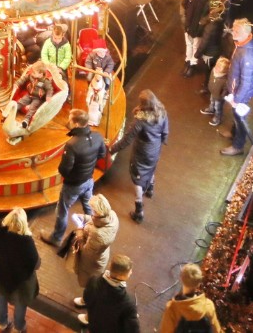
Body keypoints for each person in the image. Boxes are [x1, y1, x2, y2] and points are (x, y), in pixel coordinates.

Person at [44, 108, 106, 244]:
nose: (68, 122)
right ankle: (90, 233)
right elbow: (102, 154)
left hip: (73, 184)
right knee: (88, 207)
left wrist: (68, 174)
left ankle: (56, 237)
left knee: (62, 210)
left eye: (70, 120)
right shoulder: (97, 137)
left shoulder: (72, 144)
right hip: (89, 179)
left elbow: (65, 169)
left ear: (76, 124)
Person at [109, 89, 169, 223]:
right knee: (151, 168)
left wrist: (111, 150)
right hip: (155, 150)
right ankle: (150, 189)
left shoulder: (140, 121)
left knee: (138, 178)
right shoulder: (162, 112)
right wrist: (162, 141)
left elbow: (127, 140)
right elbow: (165, 132)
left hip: (141, 153)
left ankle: (139, 210)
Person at [0, 207, 39, 333]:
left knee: (1, 296)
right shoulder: (27, 242)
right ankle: (19, 327)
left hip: (1, 274)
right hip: (20, 282)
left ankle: (2, 324)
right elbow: (35, 263)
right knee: (20, 304)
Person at [68, 194, 119, 317]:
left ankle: (88, 304)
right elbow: (93, 222)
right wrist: (84, 218)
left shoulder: (99, 235)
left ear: (97, 212)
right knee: (93, 284)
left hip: (92, 262)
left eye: (92, 210)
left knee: (90, 284)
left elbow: (87, 252)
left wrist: (80, 232)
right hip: (100, 256)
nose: (91, 212)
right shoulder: (111, 216)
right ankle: (88, 300)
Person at [222, 18, 253, 156]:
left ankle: (238, 146)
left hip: (241, 94)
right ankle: (234, 134)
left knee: (240, 118)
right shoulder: (244, 44)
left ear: (245, 33)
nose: (233, 32)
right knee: (236, 116)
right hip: (237, 90)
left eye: (236, 30)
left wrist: (237, 99)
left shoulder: (248, 54)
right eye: (233, 28)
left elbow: (246, 81)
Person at [82, 255, 140, 333]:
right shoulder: (129, 303)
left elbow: (86, 298)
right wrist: (132, 314)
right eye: (129, 271)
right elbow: (133, 330)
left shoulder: (93, 280)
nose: (131, 272)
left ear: (110, 266)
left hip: (93, 326)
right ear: (122, 276)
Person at [158, 263, 223, 333]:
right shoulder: (208, 306)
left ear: (181, 279)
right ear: (198, 283)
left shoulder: (172, 309)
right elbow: (217, 330)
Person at [182, 0, 212, 76]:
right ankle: (188, 61)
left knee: (196, 46)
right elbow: (183, 4)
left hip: (199, 27)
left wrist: (202, 24)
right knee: (189, 44)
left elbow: (210, 14)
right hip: (189, 25)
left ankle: (193, 64)